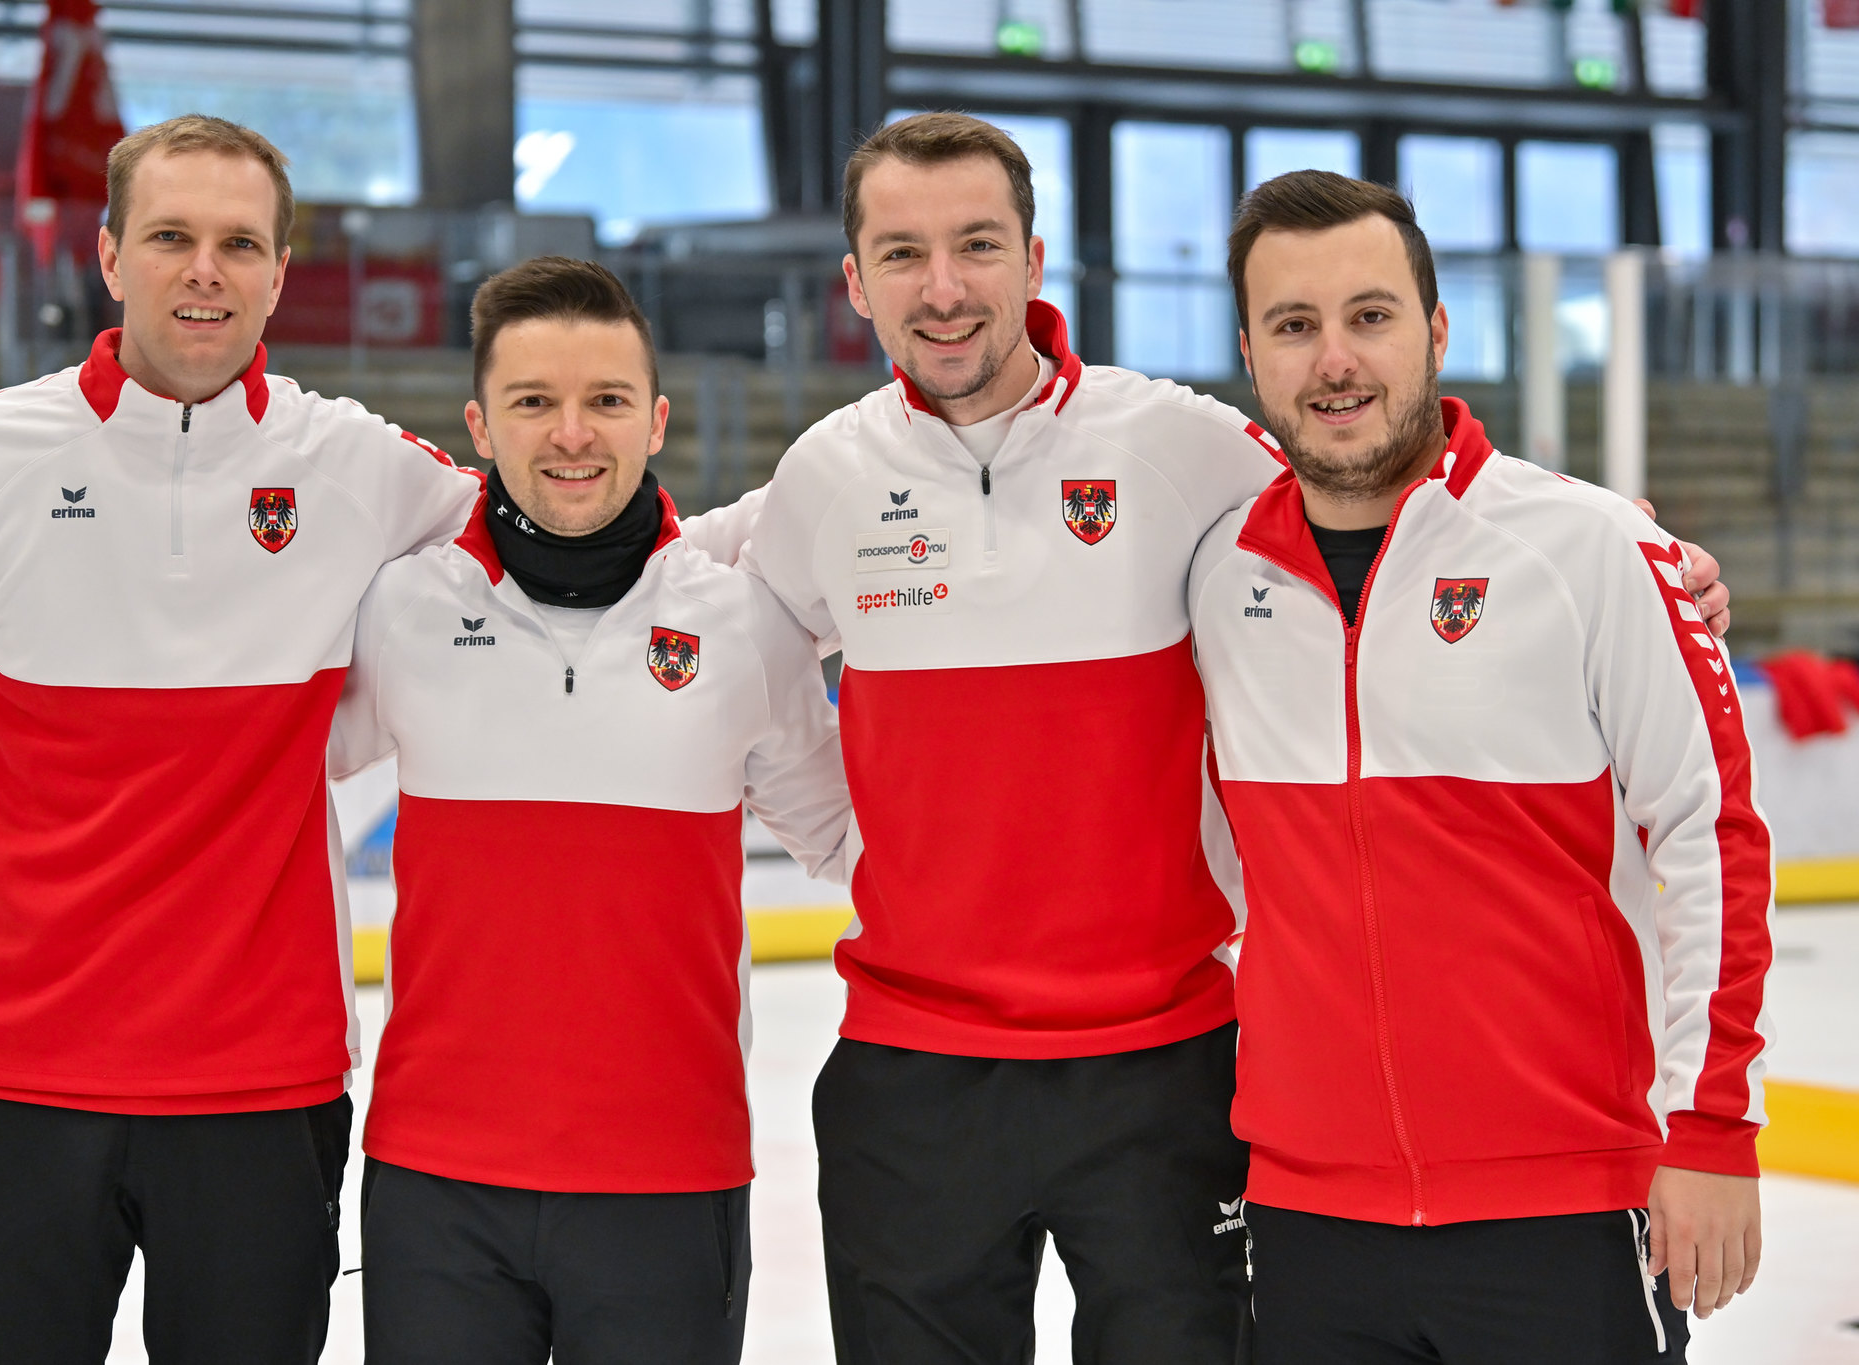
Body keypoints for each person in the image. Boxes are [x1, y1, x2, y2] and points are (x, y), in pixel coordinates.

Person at [676, 111, 1735, 1364]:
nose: (943, 287)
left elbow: (1368, 478)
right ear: (853, 281)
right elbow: (691, 607)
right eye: (902, 254)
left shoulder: (1178, 447)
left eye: (975, 244)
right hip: (914, 1076)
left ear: (1033, 258)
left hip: (1169, 1070)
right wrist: (848, 849)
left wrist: (1632, 556)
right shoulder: (823, 478)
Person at [0, 114, 481, 1362]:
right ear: (108, 255)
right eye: (173, 237)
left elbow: (566, 532)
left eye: (240, 243)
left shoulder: (357, 463)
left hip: (262, 1088)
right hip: (14, 1081)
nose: (206, 269)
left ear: (281, 271)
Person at [1187, 169, 1773, 1363]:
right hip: (1308, 1216)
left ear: (1436, 331)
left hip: (1560, 1206)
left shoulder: (1589, 546)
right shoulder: (1214, 575)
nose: (1334, 359)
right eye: (1293, 327)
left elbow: (1708, 831)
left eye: (1369, 315)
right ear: (1250, 355)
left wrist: (1708, 1125)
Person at [332, 256, 851, 1365]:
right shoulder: (402, 612)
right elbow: (249, 790)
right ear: (478, 423)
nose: (573, 434)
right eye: (534, 403)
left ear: (656, 419)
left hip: (671, 1178)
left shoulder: (743, 627)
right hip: (438, 1184)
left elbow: (858, 847)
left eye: (606, 401)